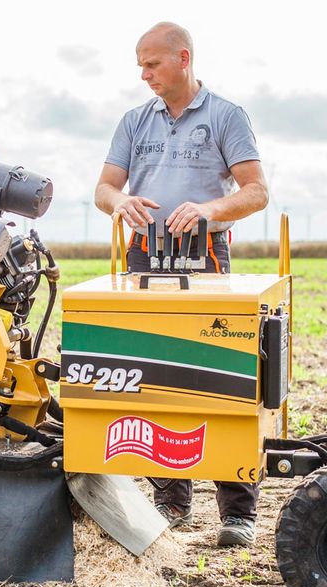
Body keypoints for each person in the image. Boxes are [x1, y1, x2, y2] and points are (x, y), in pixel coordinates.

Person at [94, 22, 268, 546]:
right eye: (140, 66)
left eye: (152, 64)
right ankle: (171, 497)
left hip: (205, 256)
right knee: (151, 373)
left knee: (218, 373)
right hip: (143, 255)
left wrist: (210, 210)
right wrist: (118, 202)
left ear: (183, 58)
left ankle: (237, 510)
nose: (143, 74)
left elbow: (256, 190)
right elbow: (104, 186)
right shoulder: (133, 121)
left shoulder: (225, 115)